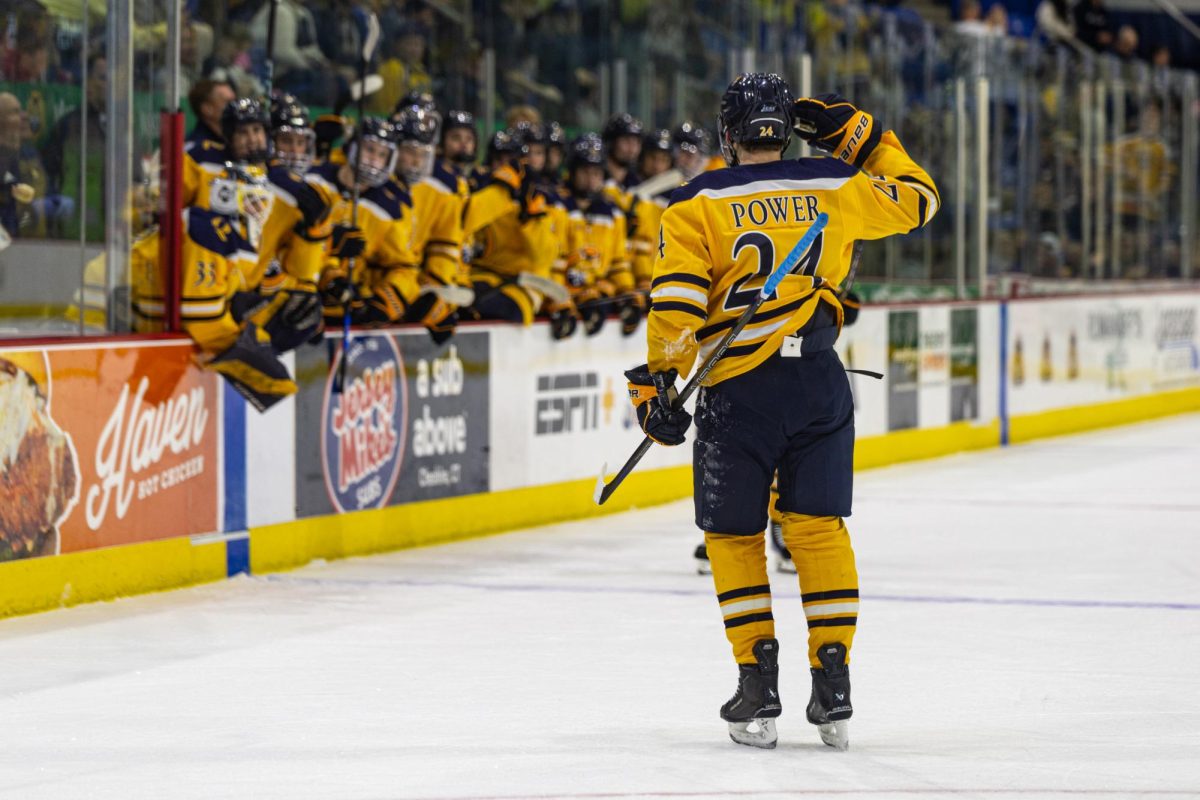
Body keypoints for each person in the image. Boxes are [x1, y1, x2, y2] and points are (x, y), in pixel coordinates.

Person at [626, 74, 937, 750]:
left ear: (728, 133)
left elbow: (676, 306)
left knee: (735, 537)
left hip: (741, 391)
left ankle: (757, 684)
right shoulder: (838, 183)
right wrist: (869, 140)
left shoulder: (694, 202)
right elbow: (920, 200)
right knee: (818, 531)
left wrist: (657, 383)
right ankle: (834, 685)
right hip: (819, 380)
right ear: (787, 127)